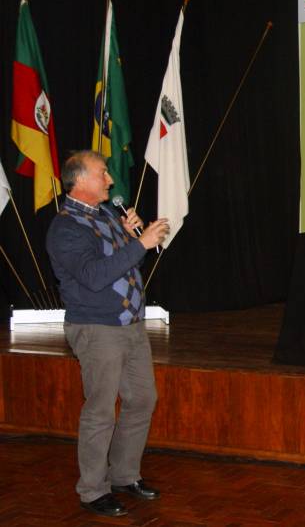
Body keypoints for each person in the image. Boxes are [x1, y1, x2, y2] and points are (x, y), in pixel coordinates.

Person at [46, 151, 170, 517]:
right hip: (97, 327)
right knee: (101, 410)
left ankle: (124, 475)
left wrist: (134, 240)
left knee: (142, 399)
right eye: (103, 173)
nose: (111, 180)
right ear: (81, 180)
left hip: (130, 324)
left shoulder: (107, 215)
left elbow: (128, 265)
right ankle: (92, 491)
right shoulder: (65, 228)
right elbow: (94, 277)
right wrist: (139, 244)